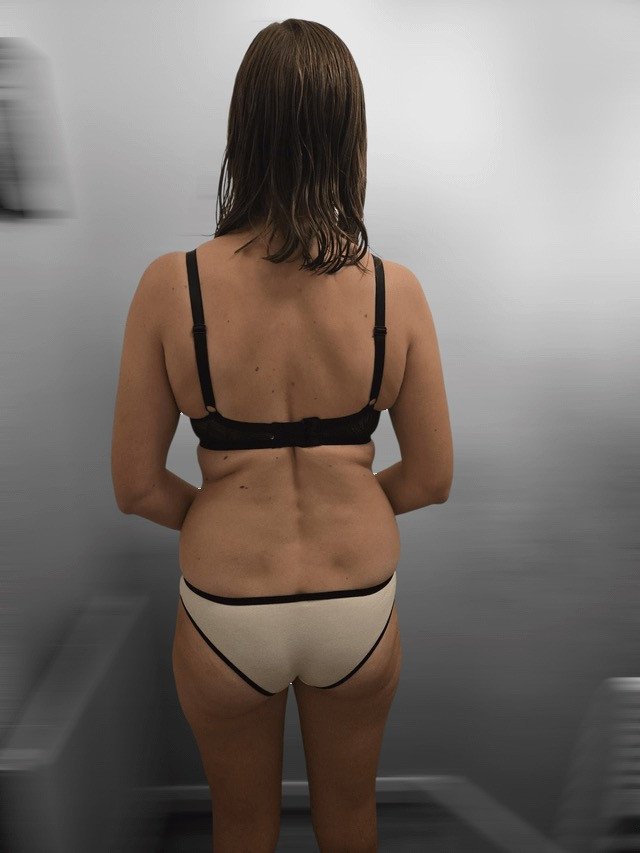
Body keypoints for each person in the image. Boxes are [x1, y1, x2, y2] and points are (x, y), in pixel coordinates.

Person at [111, 18, 453, 853]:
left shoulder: (170, 286)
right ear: (348, 136)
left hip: (228, 608)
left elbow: (137, 485)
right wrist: (348, 499)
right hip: (356, 604)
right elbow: (431, 477)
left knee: (241, 826)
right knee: (351, 820)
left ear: (244, 131)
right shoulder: (397, 292)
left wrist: (224, 509)